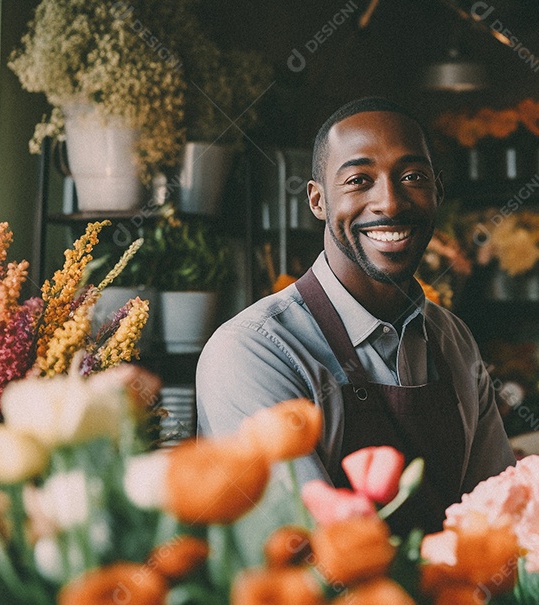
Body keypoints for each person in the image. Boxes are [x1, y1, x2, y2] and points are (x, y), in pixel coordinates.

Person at [196, 97, 515, 533]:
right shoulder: (252, 351)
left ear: (437, 190)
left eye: (412, 177)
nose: (389, 202)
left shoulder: (453, 341)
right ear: (318, 200)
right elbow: (308, 551)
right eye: (359, 180)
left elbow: (499, 518)